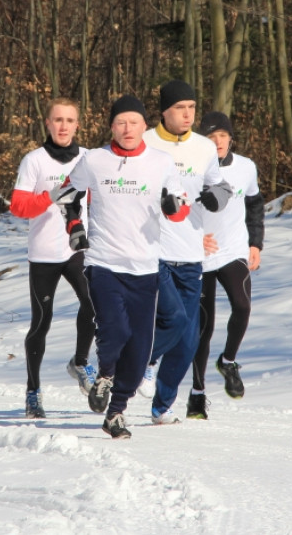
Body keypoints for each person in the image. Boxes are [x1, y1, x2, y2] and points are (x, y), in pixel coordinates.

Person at [53, 95, 189, 439]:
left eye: (134, 122)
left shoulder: (161, 161)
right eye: (120, 123)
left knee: (140, 349)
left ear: (146, 126)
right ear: (111, 127)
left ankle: (115, 413)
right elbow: (66, 193)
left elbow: (180, 208)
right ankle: (105, 374)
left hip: (144, 267)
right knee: (115, 330)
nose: (128, 129)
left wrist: (173, 206)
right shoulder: (94, 160)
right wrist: (75, 228)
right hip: (103, 262)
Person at [139, 80, 232, 425]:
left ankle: (162, 406)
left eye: (192, 107)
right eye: (180, 108)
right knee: (172, 320)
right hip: (153, 252)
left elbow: (221, 186)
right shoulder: (145, 143)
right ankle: (145, 360)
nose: (189, 114)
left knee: (189, 338)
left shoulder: (204, 149)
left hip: (191, 253)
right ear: (164, 111)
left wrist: (215, 198)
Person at [9, 98, 98, 419]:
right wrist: (49, 197)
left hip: (79, 250)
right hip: (44, 253)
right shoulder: (34, 161)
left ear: (77, 125)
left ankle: (80, 362)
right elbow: (18, 207)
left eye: (69, 120)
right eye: (57, 120)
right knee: (41, 323)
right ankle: (33, 391)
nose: (63, 126)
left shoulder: (89, 158)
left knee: (94, 305)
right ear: (47, 123)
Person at [187, 111, 264, 419]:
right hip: (199, 255)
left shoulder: (246, 167)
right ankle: (197, 393)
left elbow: (255, 204)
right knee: (204, 328)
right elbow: (175, 208)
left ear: (231, 138)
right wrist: (192, 240)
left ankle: (229, 361)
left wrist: (255, 243)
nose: (218, 142)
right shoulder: (191, 168)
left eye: (223, 136)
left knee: (243, 306)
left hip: (233, 250)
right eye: (211, 137)